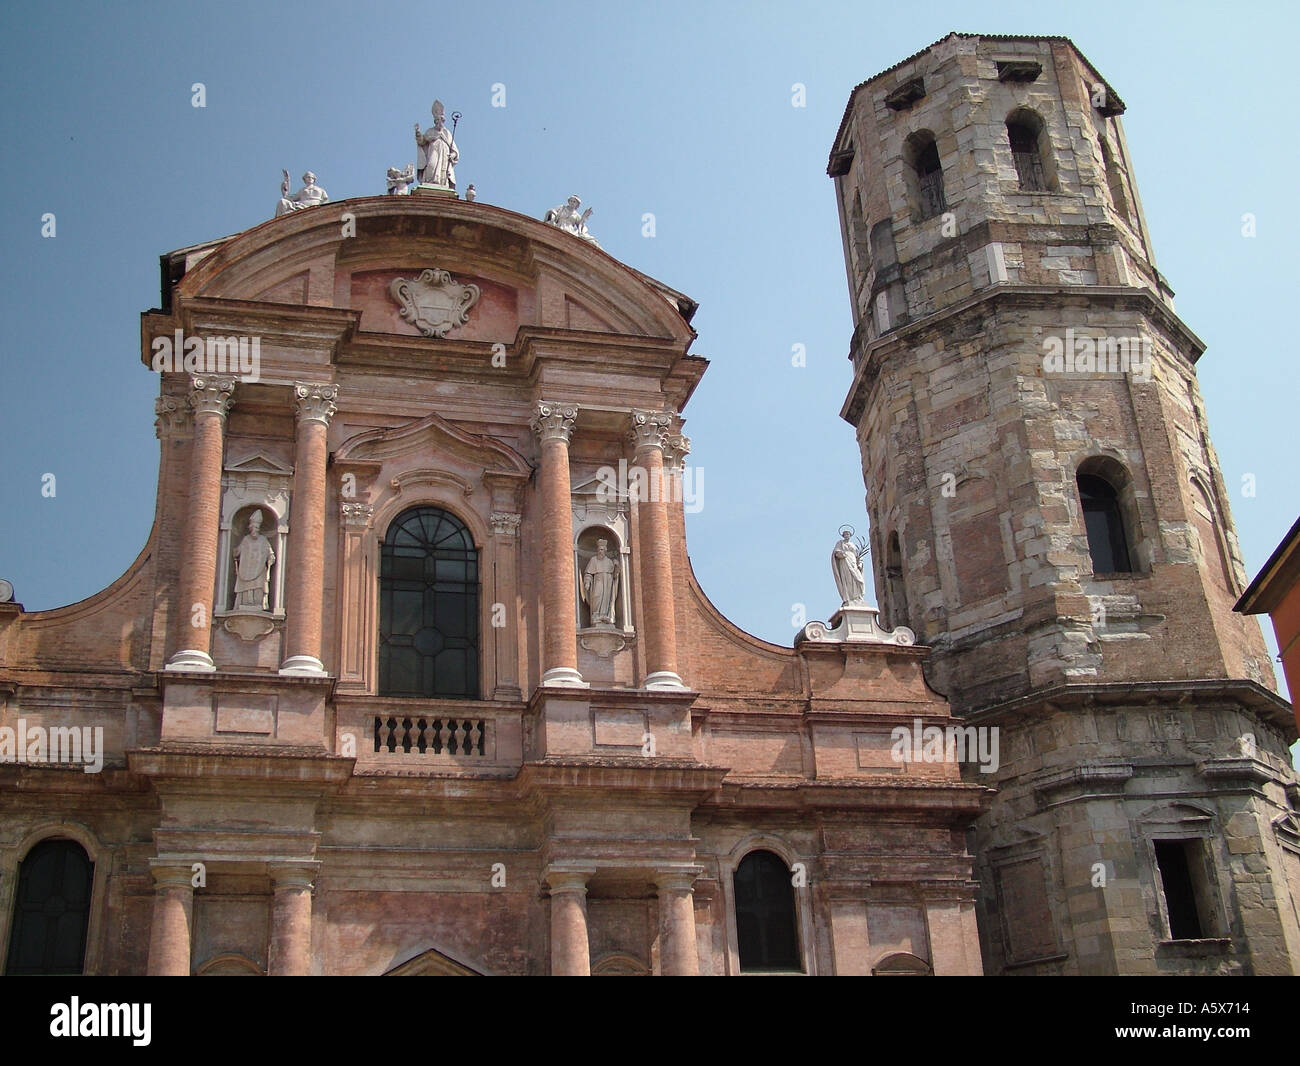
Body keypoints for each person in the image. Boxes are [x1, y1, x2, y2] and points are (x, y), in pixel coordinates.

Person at [233, 510, 275, 610]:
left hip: (259, 571)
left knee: (258, 587)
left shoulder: (263, 540)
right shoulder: (246, 539)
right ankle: (245, 603)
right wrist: (235, 552)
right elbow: (238, 551)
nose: (254, 530)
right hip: (245, 570)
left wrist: (270, 558)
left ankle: (258, 603)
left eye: (256, 528)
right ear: (250, 528)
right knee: (246, 589)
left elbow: (270, 553)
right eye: (253, 528)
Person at [415, 101, 458, 188]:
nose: (439, 122)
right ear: (435, 121)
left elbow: (454, 149)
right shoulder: (430, 131)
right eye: (437, 120)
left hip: (444, 153)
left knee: (443, 169)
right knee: (431, 165)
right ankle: (429, 181)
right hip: (433, 150)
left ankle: (442, 183)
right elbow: (422, 141)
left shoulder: (447, 133)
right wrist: (418, 133)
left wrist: (453, 155)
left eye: (441, 120)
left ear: (443, 121)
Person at [582, 539, 619, 625]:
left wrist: (617, 567)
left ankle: (605, 615)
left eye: (602, 549)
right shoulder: (593, 560)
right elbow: (588, 573)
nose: (600, 551)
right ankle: (595, 615)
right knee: (597, 596)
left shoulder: (609, 561)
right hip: (598, 580)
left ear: (605, 550)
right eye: (598, 549)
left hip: (608, 582)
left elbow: (615, 576)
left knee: (606, 598)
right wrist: (587, 582)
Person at [831, 529, 866, 606]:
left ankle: (858, 597)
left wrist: (860, 563)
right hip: (845, 561)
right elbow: (836, 552)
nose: (847, 535)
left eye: (848, 534)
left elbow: (858, 556)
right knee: (848, 579)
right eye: (845, 534)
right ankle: (850, 598)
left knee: (858, 579)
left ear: (850, 535)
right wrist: (841, 554)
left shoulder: (853, 545)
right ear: (843, 535)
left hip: (853, 561)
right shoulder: (840, 543)